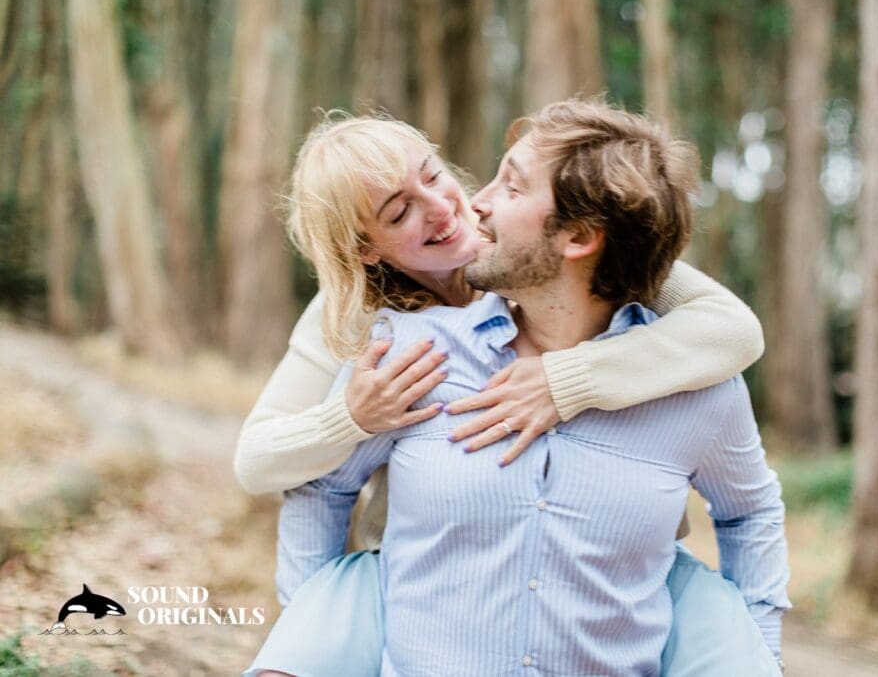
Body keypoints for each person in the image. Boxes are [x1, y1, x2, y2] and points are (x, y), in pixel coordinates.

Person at [245, 99, 789, 676]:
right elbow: (273, 468)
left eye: (434, 175)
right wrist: (350, 420)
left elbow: (734, 331)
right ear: (365, 248)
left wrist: (569, 380)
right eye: (400, 211)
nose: (454, 207)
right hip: (427, 583)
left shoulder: (571, 245)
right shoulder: (371, 330)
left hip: (619, 580)